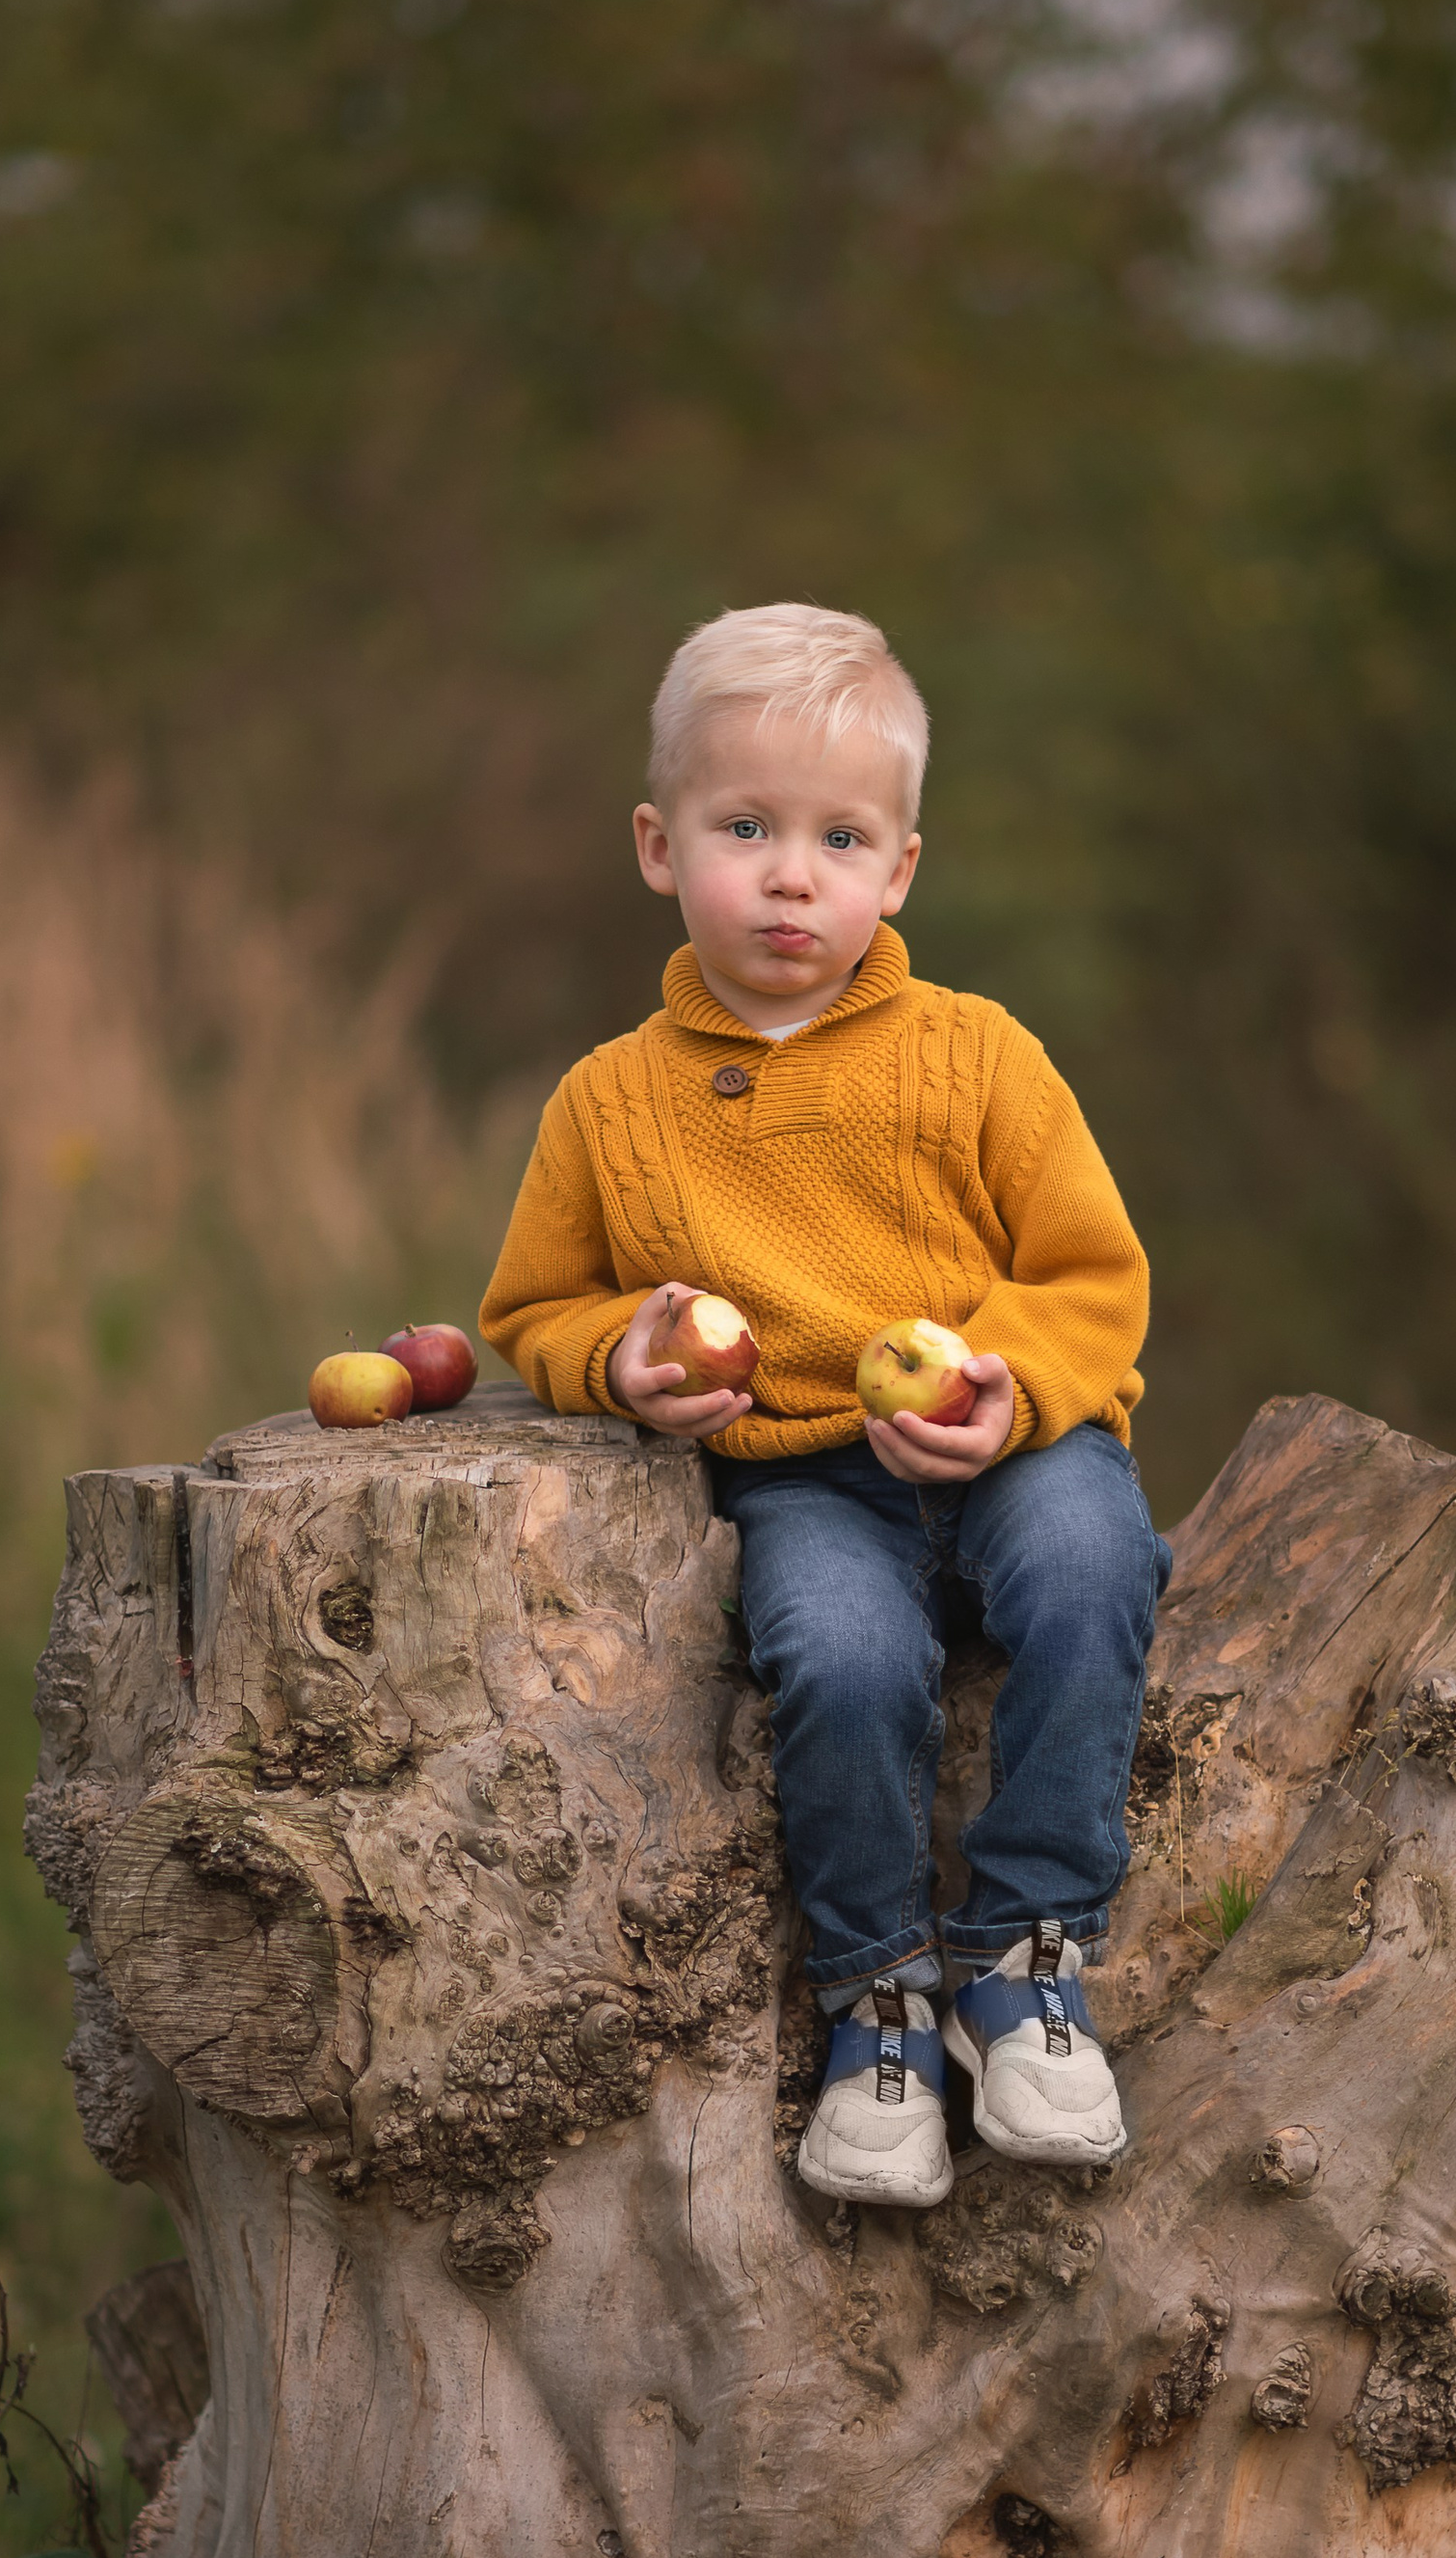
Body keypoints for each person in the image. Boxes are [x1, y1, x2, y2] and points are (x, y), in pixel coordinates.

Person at [481, 604, 1168, 2208]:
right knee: (837, 1658)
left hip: (1009, 1442)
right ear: (659, 847)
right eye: (746, 829)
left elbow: (1092, 1272)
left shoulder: (978, 1056)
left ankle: (1029, 1951)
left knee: (1093, 1567)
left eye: (838, 837)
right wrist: (623, 1361)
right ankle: (880, 1997)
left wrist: (1011, 1389)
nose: (793, 874)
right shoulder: (608, 1100)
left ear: (900, 870)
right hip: (803, 1477)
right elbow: (536, 1308)